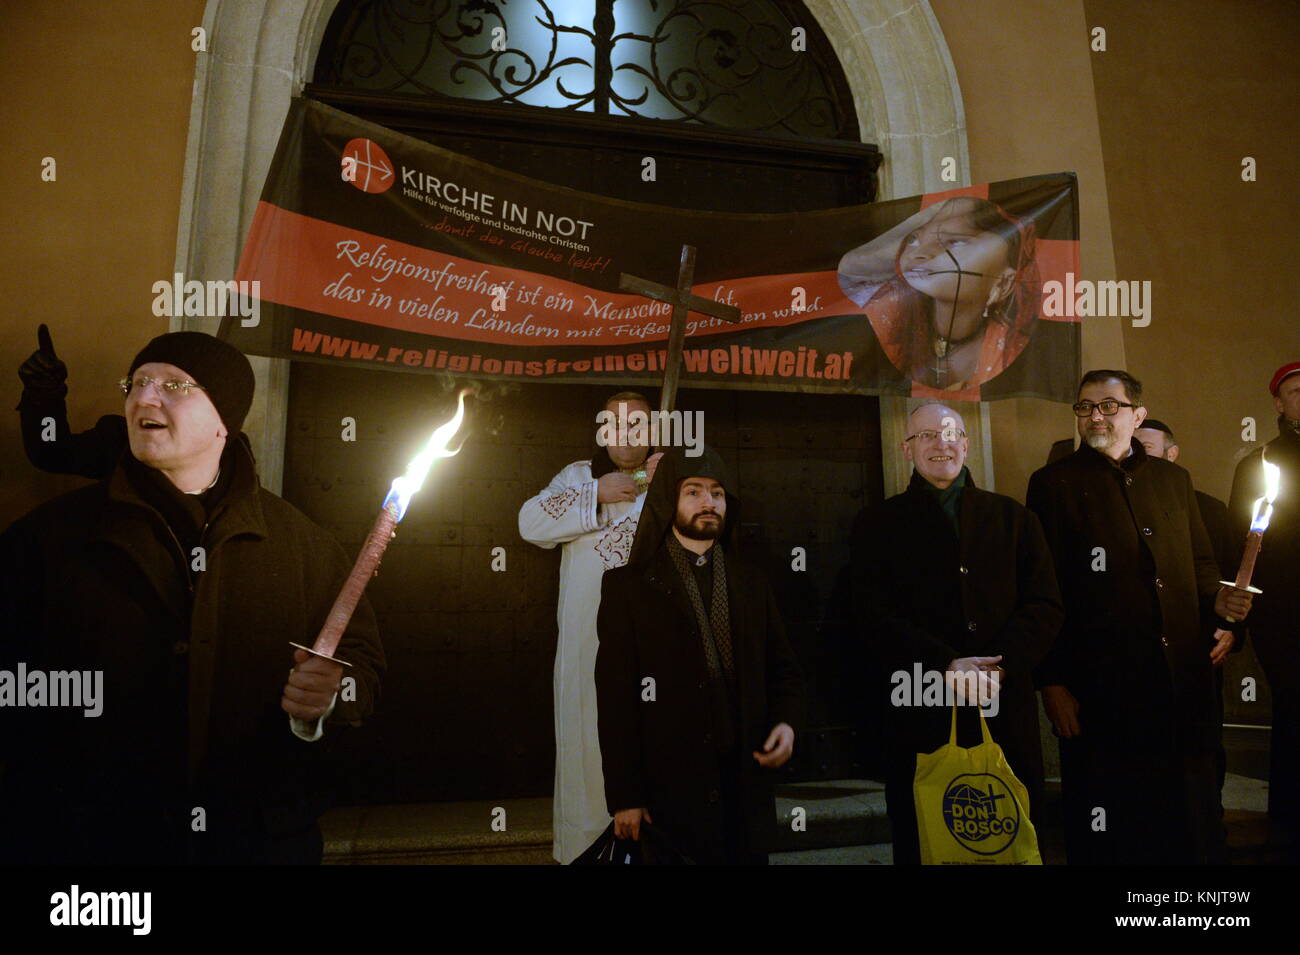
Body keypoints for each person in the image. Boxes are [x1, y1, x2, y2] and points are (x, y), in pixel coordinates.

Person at [0, 331, 385, 864]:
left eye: (174, 385)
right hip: (92, 851)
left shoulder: (304, 545)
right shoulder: (50, 538)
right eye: (137, 383)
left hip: (255, 844)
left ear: (225, 419)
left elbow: (361, 669)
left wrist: (332, 695)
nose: (144, 398)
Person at [1027, 370, 1253, 865]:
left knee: (1186, 818)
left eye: (1109, 405)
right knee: (1109, 821)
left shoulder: (1174, 480)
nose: (1095, 416)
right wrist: (1053, 682)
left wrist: (1219, 606)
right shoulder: (1053, 484)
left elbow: (1199, 566)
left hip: (1179, 683)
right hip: (1100, 688)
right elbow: (1044, 591)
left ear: (1137, 415)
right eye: (1085, 407)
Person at [850, 402, 1062, 864]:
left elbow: (1044, 605)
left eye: (949, 433)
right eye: (925, 436)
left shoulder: (1016, 519)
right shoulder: (877, 523)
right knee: (926, 834)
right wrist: (945, 662)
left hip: (1004, 702)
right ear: (907, 449)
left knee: (1009, 831)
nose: (939, 443)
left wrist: (997, 666)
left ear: (965, 443)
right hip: (918, 704)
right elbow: (869, 613)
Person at [594, 446, 804, 864]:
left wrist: (787, 722)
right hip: (668, 791)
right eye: (693, 491)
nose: (709, 502)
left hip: (744, 783)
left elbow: (783, 668)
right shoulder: (628, 586)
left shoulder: (752, 581)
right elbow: (615, 698)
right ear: (668, 502)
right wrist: (625, 796)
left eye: (717, 493)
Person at [517, 392, 662, 863]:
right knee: (590, 742)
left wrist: (656, 486)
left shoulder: (672, 475)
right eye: (615, 424)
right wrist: (596, 494)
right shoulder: (578, 476)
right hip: (590, 641)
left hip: (655, 640)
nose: (626, 434)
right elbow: (530, 523)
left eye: (637, 424)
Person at [1136, 417, 1242, 861]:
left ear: (1172, 454)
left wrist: (1231, 628)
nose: (1139, 453)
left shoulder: (1211, 510)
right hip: (1141, 652)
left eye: (1149, 446)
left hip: (1199, 648)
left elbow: (1230, 579)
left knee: (1201, 748)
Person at [837, 196, 1040, 392]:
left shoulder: (1010, 351)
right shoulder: (891, 310)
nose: (920, 253)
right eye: (914, 239)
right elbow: (848, 269)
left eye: (955, 242)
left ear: (1004, 283)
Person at [1228, 362, 1300, 860]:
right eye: (1297, 392)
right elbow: (1243, 543)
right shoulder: (1262, 462)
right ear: (1279, 403)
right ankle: (1290, 827)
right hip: (1286, 615)